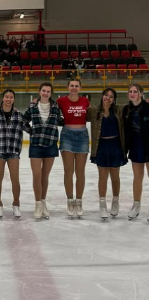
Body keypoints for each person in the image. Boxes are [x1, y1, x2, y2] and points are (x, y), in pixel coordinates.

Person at [0, 89, 30, 219]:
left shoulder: (19, 115)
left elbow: (29, 129)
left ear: (14, 99)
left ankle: (16, 204)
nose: (8, 99)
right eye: (6, 97)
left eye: (11, 97)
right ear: (2, 98)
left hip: (13, 151)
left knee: (15, 179)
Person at [23, 83, 61, 220]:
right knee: (36, 175)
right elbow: (23, 121)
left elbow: (61, 120)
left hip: (50, 144)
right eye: (43, 90)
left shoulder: (56, 107)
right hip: (36, 144)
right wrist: (31, 131)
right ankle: (38, 203)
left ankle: (43, 202)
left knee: (45, 176)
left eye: (48, 91)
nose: (45, 93)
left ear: (51, 93)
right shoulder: (32, 106)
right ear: (39, 92)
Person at [87, 88, 126, 220]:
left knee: (115, 176)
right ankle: (102, 205)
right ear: (102, 96)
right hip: (101, 146)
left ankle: (115, 201)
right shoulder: (93, 111)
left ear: (114, 99)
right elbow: (78, 110)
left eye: (111, 96)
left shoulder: (119, 110)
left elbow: (134, 106)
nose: (107, 98)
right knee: (102, 177)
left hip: (115, 145)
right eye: (106, 95)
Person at [56, 79, 90, 218]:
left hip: (82, 136)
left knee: (80, 172)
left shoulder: (85, 101)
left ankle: (79, 201)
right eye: (72, 86)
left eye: (76, 86)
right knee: (68, 170)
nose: (74, 88)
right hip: (67, 136)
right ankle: (70, 201)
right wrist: (35, 102)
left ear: (80, 88)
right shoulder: (61, 101)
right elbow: (48, 106)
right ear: (68, 87)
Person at [123, 84, 149, 220]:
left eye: (135, 91)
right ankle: (136, 205)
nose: (132, 94)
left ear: (141, 94)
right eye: (130, 91)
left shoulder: (148, 107)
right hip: (135, 146)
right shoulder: (127, 109)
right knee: (137, 177)